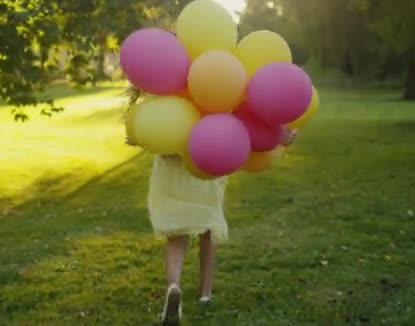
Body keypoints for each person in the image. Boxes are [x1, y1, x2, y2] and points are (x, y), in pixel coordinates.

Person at [124, 89, 297, 325]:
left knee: (176, 237)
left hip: (172, 163)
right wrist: (278, 136)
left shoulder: (167, 87)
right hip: (208, 156)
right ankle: (206, 294)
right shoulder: (218, 81)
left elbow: (145, 126)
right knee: (208, 230)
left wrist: (138, 132)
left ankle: (174, 287)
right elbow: (242, 121)